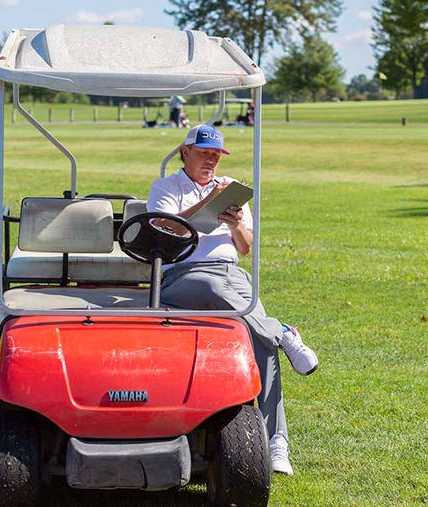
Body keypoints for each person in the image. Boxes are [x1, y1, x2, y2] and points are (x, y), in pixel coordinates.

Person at [147, 124, 319, 475]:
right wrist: (209, 203)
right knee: (217, 292)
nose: (211, 161)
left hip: (231, 274)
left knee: (261, 341)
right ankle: (283, 331)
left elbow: (245, 247)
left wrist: (236, 223)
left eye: (216, 155)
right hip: (184, 276)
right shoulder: (165, 188)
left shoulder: (230, 189)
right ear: (185, 152)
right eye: (204, 153)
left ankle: (276, 442)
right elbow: (167, 231)